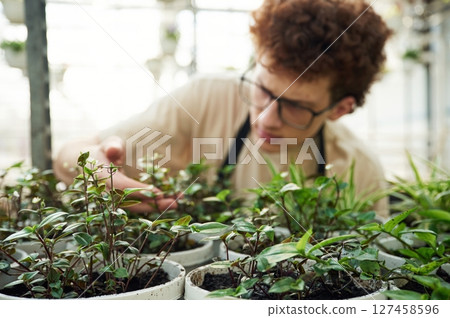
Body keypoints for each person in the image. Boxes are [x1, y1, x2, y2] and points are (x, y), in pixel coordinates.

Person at [54, 0, 392, 217]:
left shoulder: (358, 171)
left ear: (339, 109)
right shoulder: (207, 98)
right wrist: (96, 172)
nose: (265, 117)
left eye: (295, 106)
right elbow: (71, 153)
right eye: (262, 89)